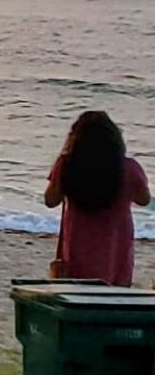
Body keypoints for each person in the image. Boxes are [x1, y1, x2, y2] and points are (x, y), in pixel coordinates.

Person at [46, 111, 151, 287]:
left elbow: (50, 200)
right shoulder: (129, 169)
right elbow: (144, 200)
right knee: (115, 296)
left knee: (77, 293)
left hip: (77, 246)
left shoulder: (67, 165)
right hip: (116, 246)